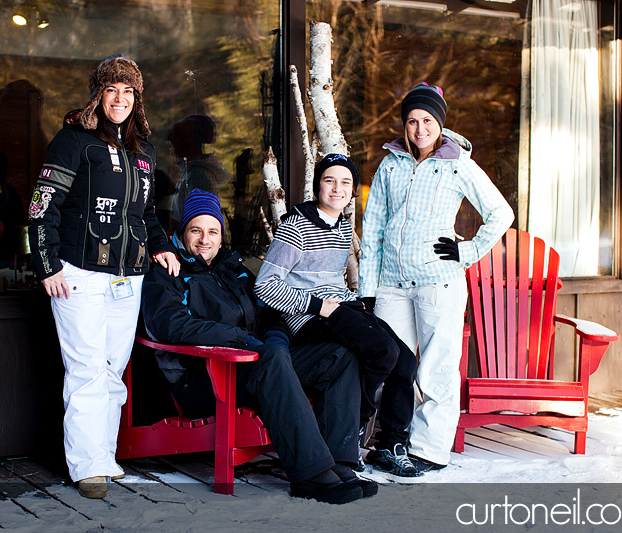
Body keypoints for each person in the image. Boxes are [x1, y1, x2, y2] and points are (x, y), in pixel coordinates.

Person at [141, 189, 375, 504]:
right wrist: (242, 341)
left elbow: (270, 312)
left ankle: (340, 462)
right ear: (182, 233)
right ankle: (312, 474)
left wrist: (276, 339)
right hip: (206, 379)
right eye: (195, 230)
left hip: (257, 364)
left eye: (213, 231)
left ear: (222, 236)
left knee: (339, 356)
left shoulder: (233, 268)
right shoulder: (167, 272)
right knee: (273, 357)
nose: (204, 239)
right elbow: (169, 325)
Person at [27, 54, 180, 499]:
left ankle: (104, 455)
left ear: (137, 99)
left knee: (113, 369)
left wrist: (162, 246)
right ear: (99, 95)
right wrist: (46, 263)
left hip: (127, 278)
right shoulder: (73, 141)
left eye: (128, 92)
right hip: (78, 273)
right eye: (112, 90)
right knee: (86, 368)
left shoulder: (143, 152)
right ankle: (86, 466)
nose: (120, 99)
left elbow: (145, 213)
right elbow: (42, 204)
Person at [359, 82, 514, 473]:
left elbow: (501, 213)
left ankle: (428, 450)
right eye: (412, 120)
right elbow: (374, 226)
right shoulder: (390, 163)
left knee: (436, 369)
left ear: (439, 124)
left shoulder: (457, 162)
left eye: (427, 120)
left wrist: (468, 251)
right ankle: (389, 442)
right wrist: (367, 290)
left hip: (438, 283)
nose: (419, 128)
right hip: (392, 284)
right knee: (395, 365)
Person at [254, 154, 420, 477]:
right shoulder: (294, 227)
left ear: (353, 190)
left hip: (341, 307)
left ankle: (390, 444)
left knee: (406, 361)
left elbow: (331, 279)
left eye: (345, 182)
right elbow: (265, 286)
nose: (337, 189)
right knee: (382, 351)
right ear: (318, 185)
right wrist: (317, 305)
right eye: (329, 180)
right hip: (309, 317)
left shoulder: (343, 227)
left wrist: (351, 303)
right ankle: (355, 425)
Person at [167, 114, 230, 229]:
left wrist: (168, 221)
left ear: (187, 144)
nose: (172, 152)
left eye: (174, 145)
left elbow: (198, 221)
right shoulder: (191, 173)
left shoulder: (198, 176)